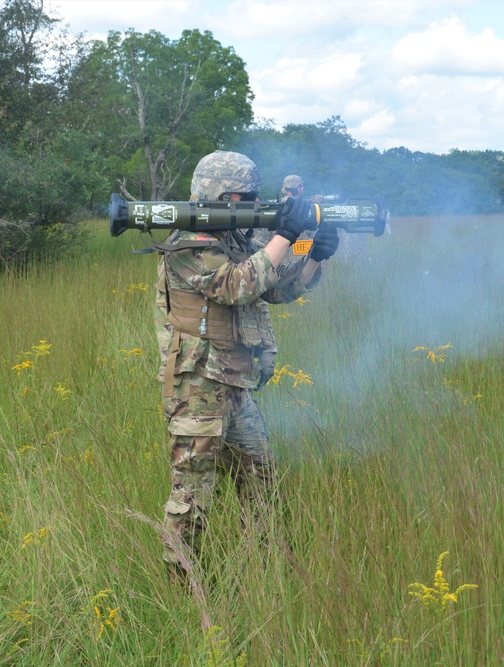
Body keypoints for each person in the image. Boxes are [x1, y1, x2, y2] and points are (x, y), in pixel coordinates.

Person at [153, 151, 340, 583]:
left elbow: (274, 286)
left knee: (261, 481)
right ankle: (183, 589)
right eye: (243, 196)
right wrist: (287, 233)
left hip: (234, 386)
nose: (252, 203)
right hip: (197, 389)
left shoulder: (237, 241)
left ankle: (265, 572)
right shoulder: (187, 243)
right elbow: (239, 285)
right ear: (218, 194)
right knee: (192, 495)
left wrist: (314, 255)